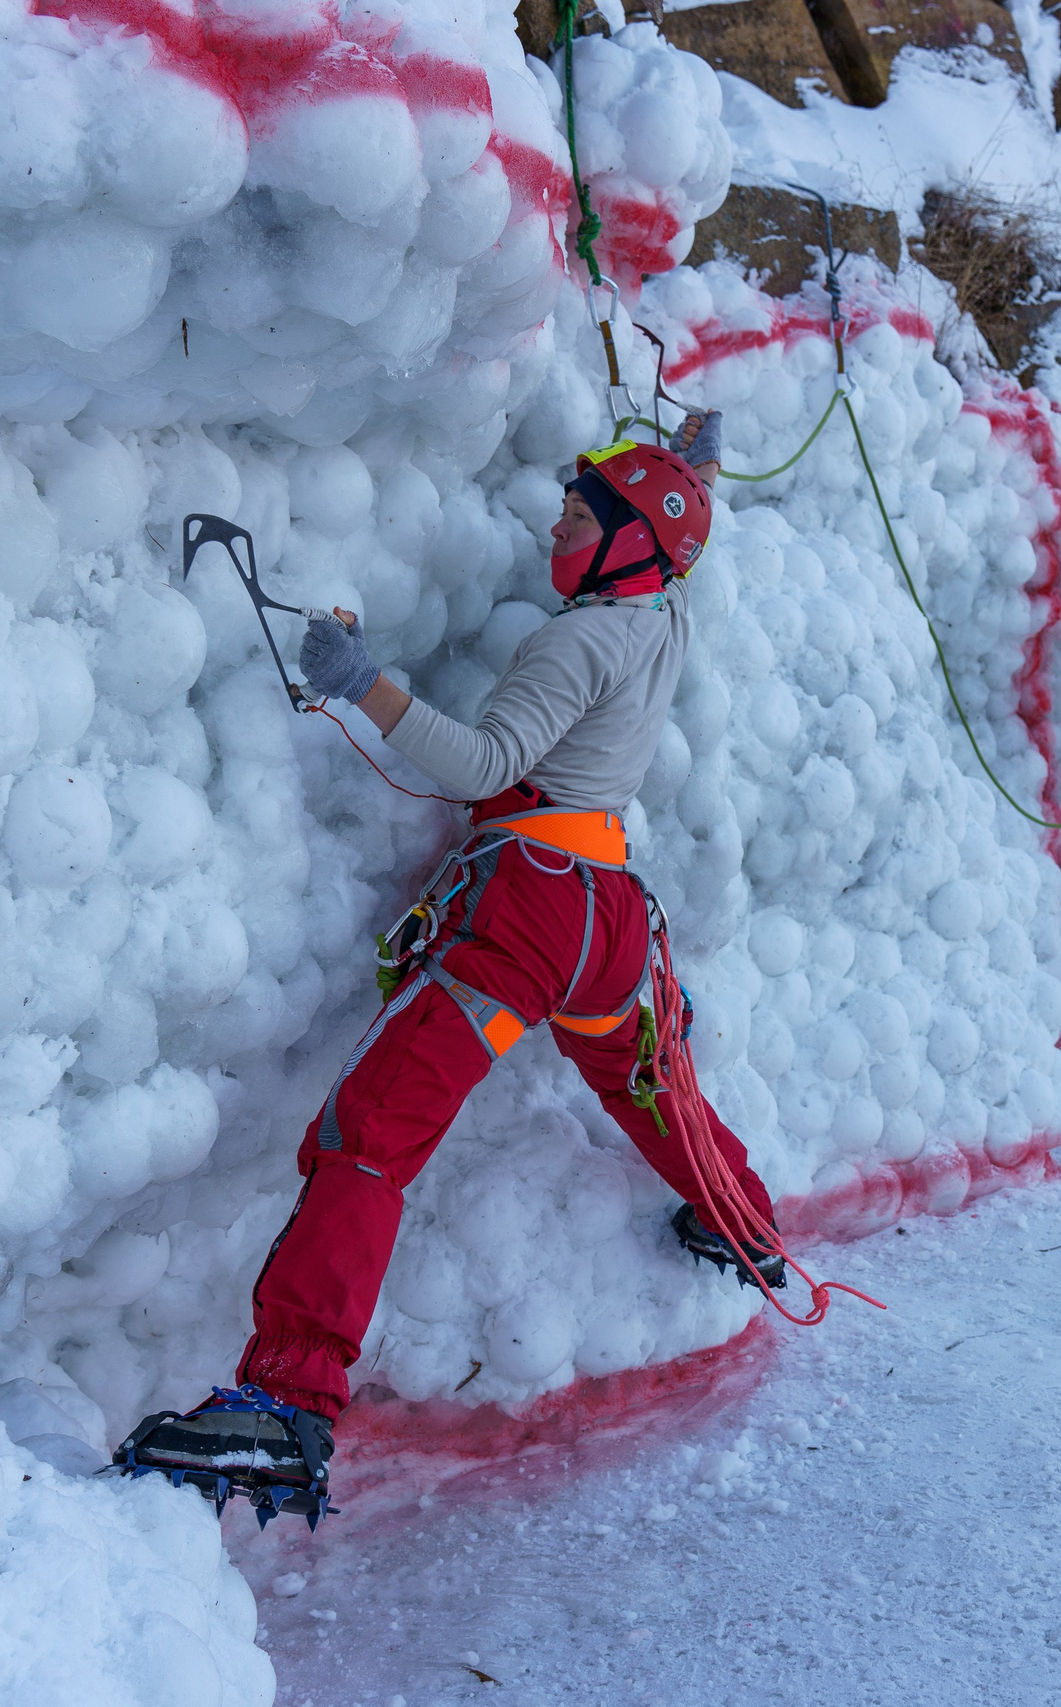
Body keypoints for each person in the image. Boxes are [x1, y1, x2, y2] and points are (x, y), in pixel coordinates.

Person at [115, 415, 786, 1522]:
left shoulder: (575, 644)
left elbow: (484, 764)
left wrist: (361, 681)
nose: (559, 521)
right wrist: (690, 467)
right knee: (647, 1082)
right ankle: (743, 1222)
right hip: (609, 915)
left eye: (584, 513)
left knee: (372, 1135)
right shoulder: (660, 615)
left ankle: (287, 1402)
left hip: (522, 912)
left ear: (625, 543)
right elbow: (679, 536)